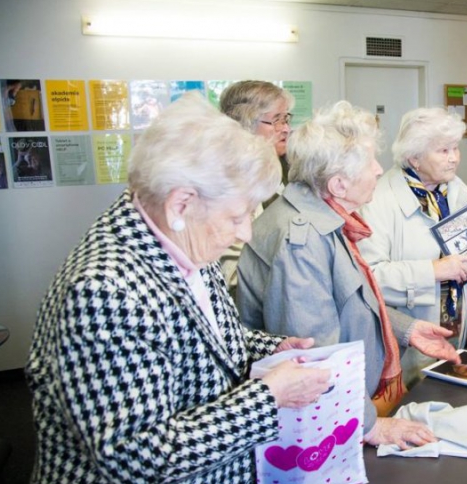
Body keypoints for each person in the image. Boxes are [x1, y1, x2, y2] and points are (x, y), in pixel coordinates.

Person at [24, 93, 332, 483]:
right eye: (237, 216)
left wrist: (270, 348)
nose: (246, 231)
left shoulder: (181, 239)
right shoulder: (103, 291)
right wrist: (268, 397)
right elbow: (136, 457)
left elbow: (203, 341)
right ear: (181, 203)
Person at [236, 100, 461, 449]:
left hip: (340, 410)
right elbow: (315, 356)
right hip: (322, 426)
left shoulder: (321, 216)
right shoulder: (303, 239)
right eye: (370, 162)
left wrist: (407, 328)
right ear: (339, 184)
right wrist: (371, 427)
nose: (378, 170)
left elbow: (349, 298)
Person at [358, 107, 467, 386]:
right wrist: (433, 270)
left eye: (456, 148)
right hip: (407, 336)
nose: (454, 158)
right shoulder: (377, 199)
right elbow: (368, 279)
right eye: (443, 151)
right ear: (415, 157)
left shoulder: (456, 188)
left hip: (454, 323)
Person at [218, 80, 295, 294]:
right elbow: (233, 274)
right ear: (244, 124)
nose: (286, 129)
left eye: (287, 119)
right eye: (277, 120)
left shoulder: (286, 168)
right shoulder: (231, 180)